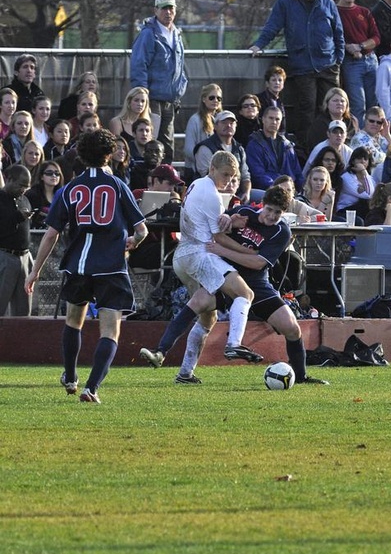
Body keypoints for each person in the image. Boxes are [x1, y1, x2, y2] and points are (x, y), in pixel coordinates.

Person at [25, 129, 148, 403]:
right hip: (111, 267)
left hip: (78, 266)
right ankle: (91, 388)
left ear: (81, 155)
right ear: (109, 154)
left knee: (73, 321)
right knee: (110, 330)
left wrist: (35, 271)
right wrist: (134, 241)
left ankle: (70, 377)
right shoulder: (117, 185)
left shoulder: (70, 188)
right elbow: (141, 230)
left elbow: (51, 234)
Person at [138, 151, 263, 380]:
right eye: (225, 174)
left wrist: (228, 220)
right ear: (212, 168)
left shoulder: (197, 184)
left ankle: (174, 363)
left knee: (207, 315)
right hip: (200, 254)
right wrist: (248, 252)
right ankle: (234, 344)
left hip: (182, 257)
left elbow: (208, 222)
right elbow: (218, 238)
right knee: (245, 293)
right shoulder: (212, 195)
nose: (228, 180)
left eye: (232, 176)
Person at [205, 185, 328, 385]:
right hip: (225, 277)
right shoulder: (244, 212)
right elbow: (216, 229)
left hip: (256, 283)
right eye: (269, 210)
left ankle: (301, 377)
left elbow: (257, 263)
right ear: (262, 204)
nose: (272, 216)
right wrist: (225, 217)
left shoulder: (282, 232)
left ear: (284, 212)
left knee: (292, 328)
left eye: (278, 212)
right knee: (196, 306)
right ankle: (168, 356)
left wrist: (223, 251)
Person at [249, 0, 344, 148]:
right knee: (306, 110)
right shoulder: (285, 2)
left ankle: (333, 148)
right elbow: (272, 26)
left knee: (333, 109)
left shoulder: (327, 3)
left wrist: (338, 60)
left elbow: (338, 33)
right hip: (302, 66)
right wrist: (259, 45)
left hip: (328, 65)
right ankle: (307, 149)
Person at [130, 0, 188, 163]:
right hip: (152, 99)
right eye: (164, 8)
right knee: (150, 142)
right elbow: (139, 64)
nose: (167, 12)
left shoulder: (176, 34)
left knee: (167, 145)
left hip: (170, 100)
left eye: (171, 8)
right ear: (155, 10)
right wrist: (142, 95)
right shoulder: (148, 34)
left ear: (175, 10)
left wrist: (179, 89)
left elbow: (180, 66)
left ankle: (167, 176)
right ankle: (148, 176)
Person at [336, 0, 381, 122]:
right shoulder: (334, 11)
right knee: (358, 104)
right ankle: (359, 135)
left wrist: (360, 46)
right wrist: (347, 47)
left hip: (371, 60)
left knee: (374, 104)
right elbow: (331, 37)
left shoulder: (364, 12)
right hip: (351, 63)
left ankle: (373, 134)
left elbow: (376, 37)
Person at [194, 110, 253, 203]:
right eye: (224, 122)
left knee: (263, 197)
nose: (228, 125)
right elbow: (207, 177)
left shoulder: (239, 149)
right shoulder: (205, 148)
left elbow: (245, 176)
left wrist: (246, 193)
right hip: (211, 194)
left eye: (232, 123)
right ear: (215, 126)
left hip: (237, 193)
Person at [0, 165, 34, 316]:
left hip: (25, 256)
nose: (23, 190)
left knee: (23, 311)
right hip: (5, 256)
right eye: (21, 185)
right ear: (9, 179)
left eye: (26, 186)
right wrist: (16, 217)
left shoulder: (24, 199)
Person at [246, 106, 304, 192]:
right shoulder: (254, 145)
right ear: (263, 119)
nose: (274, 122)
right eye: (271, 118)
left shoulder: (288, 146)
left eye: (277, 119)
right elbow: (258, 175)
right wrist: (279, 188)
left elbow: (298, 173)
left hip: (291, 191)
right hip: (267, 191)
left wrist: (302, 190)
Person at [183, 83, 223, 179]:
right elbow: (188, 150)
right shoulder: (195, 120)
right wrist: (205, 160)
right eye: (211, 98)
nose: (215, 100)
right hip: (196, 171)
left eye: (219, 98)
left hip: (219, 170)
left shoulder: (222, 120)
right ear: (204, 99)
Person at [305, 87, 358, 151]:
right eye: (335, 100)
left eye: (342, 101)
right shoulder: (319, 124)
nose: (339, 103)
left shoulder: (352, 122)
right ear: (327, 104)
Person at [336, 146, 374, 218]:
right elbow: (369, 195)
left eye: (365, 159)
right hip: (345, 210)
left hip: (360, 210)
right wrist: (363, 171)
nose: (362, 161)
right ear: (353, 161)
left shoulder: (370, 178)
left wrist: (365, 177)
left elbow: (372, 196)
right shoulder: (346, 177)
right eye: (359, 158)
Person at [26, 160, 64, 227]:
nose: (54, 176)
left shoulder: (63, 195)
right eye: (49, 173)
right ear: (41, 176)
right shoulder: (32, 195)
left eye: (57, 173)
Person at [255, 65, 288, 134]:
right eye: (273, 80)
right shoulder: (258, 99)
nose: (277, 83)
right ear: (267, 83)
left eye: (280, 80)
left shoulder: (280, 101)